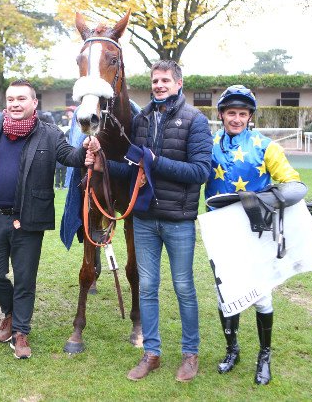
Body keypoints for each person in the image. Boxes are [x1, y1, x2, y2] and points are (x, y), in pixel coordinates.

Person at [88, 60, 212, 382]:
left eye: (165, 80)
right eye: (155, 80)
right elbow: (134, 169)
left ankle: (190, 354)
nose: (159, 85)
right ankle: (152, 353)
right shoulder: (141, 120)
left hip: (178, 220)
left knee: (184, 288)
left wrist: (156, 162)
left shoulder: (196, 121)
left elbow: (201, 171)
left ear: (179, 83)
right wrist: (103, 166)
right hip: (144, 220)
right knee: (147, 287)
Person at [0, 79, 100, 359]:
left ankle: (21, 331)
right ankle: (10, 312)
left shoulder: (49, 133)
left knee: (25, 278)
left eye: (21, 99)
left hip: (29, 216)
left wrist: (86, 148)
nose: (15, 104)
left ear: (34, 103)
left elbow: (70, 157)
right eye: (11, 99)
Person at [204, 85, 307, 385]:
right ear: (221, 115)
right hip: (221, 232)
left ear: (250, 117)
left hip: (256, 231)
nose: (236, 119)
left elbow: (294, 184)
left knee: (261, 295)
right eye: (231, 113)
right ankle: (232, 349)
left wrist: (265, 199)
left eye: (242, 114)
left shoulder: (266, 146)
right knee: (226, 294)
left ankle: (264, 355)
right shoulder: (207, 145)